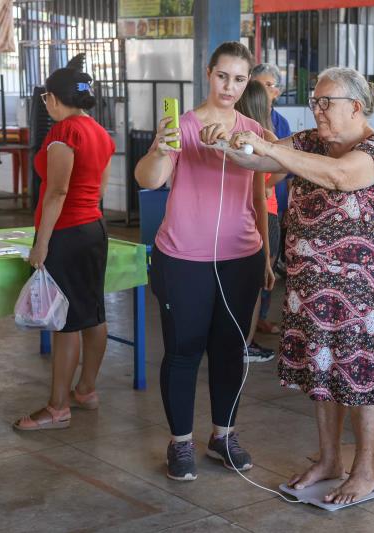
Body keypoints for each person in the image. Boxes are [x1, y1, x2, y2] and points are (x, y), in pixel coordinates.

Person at [217, 67, 374, 505]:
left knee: (359, 377)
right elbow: (258, 159)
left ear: (355, 107)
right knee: (321, 371)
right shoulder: (307, 141)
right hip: (311, 285)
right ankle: (330, 459)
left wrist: (265, 146)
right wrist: (227, 141)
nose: (317, 110)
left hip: (361, 290)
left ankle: (365, 472)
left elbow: (338, 175)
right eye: (314, 102)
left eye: (326, 103)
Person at [134, 42, 274, 481]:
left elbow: (259, 196)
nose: (229, 86)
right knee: (182, 351)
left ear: (246, 81)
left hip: (242, 258)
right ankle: (179, 443)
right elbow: (151, 178)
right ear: (208, 73)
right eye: (222, 76)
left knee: (230, 350)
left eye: (239, 79)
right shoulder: (182, 126)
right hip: (182, 259)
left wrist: (267, 256)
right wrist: (161, 146)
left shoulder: (252, 131)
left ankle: (222, 436)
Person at [13, 55, 116, 430]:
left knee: (66, 322)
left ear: (54, 99)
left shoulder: (64, 133)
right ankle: (86, 390)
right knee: (93, 312)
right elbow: (100, 189)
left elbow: (56, 191)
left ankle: (57, 407)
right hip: (93, 229)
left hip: (67, 233)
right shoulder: (101, 134)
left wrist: (41, 244)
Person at [234, 79, 285, 362]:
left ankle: (236, 342)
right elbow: (284, 168)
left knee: (236, 287)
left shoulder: (233, 136)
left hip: (236, 218)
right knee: (253, 289)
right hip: (265, 216)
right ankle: (245, 344)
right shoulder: (265, 136)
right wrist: (268, 184)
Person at [251, 63, 293, 280]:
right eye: (257, 84)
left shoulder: (279, 124)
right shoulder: (240, 119)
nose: (262, 90)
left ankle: (263, 313)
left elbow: (288, 167)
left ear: (277, 92)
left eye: (268, 85)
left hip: (273, 205)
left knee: (267, 266)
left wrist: (288, 207)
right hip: (248, 208)